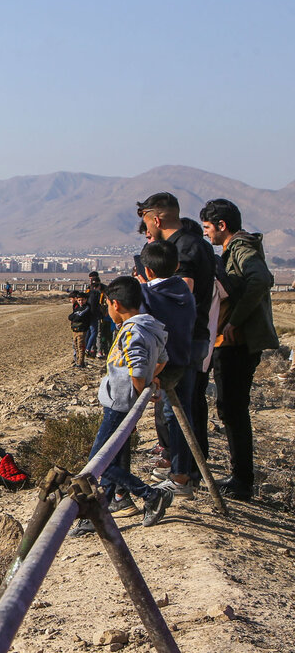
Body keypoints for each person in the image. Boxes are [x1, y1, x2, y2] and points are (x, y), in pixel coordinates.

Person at [71, 276, 173, 535]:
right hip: (121, 402)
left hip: (119, 404)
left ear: (115, 304)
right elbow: (162, 359)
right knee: (109, 459)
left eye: (107, 306)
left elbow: (138, 371)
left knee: (97, 461)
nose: (106, 310)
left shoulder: (133, 331)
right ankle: (100, 511)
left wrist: (142, 391)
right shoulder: (151, 327)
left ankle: (149, 495)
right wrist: (152, 379)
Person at [201, 198, 279, 501]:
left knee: (233, 409)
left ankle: (242, 481)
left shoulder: (241, 248)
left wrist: (235, 320)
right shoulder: (235, 248)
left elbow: (260, 279)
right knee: (231, 409)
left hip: (238, 344)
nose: (207, 234)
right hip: (236, 343)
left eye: (208, 228)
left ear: (222, 225)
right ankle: (240, 476)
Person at [137, 192, 218, 480]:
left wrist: (145, 289)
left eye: (147, 223)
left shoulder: (183, 248)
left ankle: (182, 472)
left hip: (183, 339)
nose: (147, 231)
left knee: (177, 410)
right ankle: (190, 469)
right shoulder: (196, 244)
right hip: (194, 336)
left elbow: (180, 295)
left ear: (156, 219)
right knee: (190, 405)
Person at [137, 241, 197, 498]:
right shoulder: (183, 289)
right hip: (185, 358)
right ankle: (181, 473)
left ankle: (180, 477)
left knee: (173, 418)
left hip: (163, 365)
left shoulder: (148, 295)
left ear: (148, 271)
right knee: (182, 416)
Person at [67, 291, 91, 368]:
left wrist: (75, 317)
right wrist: (75, 317)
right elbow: (70, 316)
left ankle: (81, 362)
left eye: (82, 300)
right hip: (75, 330)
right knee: (76, 346)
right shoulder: (77, 308)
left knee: (81, 346)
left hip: (82, 330)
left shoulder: (87, 307)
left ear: (86, 299)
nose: (81, 302)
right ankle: (77, 361)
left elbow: (78, 317)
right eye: (79, 300)